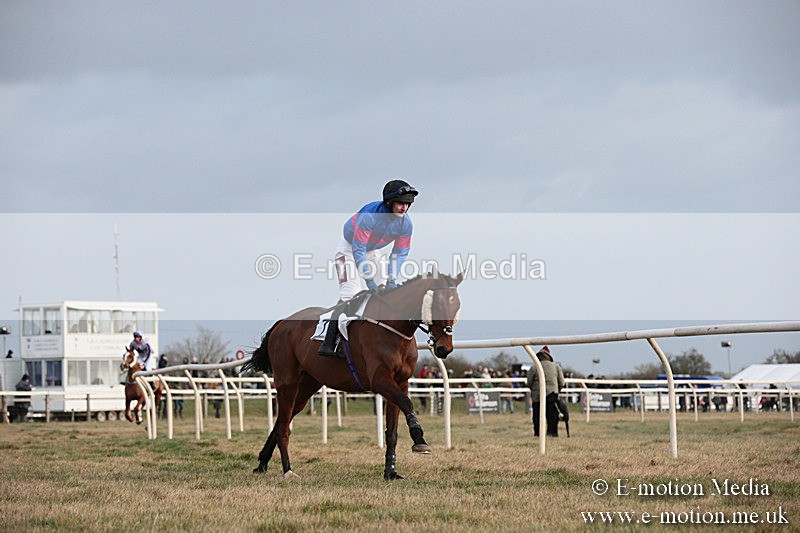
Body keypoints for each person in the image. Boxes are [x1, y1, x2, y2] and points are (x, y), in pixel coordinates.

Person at [318, 179, 419, 355]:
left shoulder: (406, 224)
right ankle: (329, 341)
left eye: (408, 204)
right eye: (400, 203)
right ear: (389, 202)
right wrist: (369, 280)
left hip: (371, 252)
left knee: (387, 292)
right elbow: (358, 250)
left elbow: (400, 253)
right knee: (350, 292)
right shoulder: (370, 215)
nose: (404, 208)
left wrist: (391, 278)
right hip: (348, 250)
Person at [526, 346, 565, 437]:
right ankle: (552, 434)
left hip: (538, 397)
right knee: (552, 418)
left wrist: (534, 390)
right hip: (552, 396)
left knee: (537, 418)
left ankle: (538, 435)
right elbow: (562, 383)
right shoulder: (556, 367)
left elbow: (529, 382)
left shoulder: (534, 367)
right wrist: (556, 391)